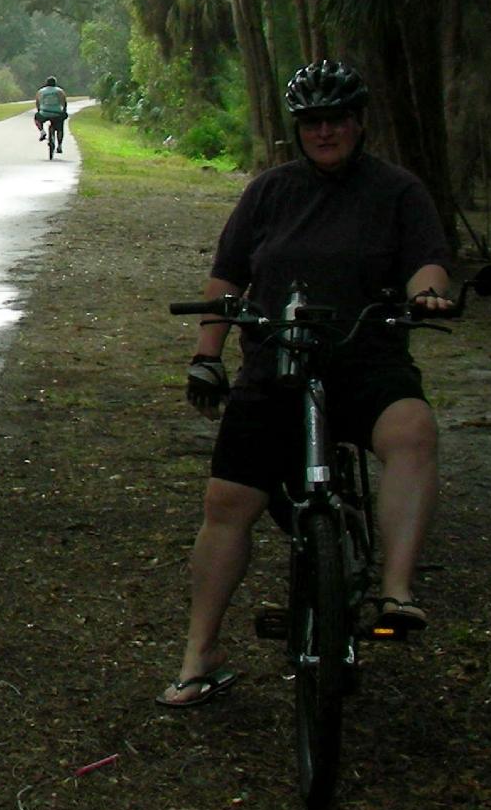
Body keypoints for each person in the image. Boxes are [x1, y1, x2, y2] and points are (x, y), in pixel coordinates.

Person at [158, 59, 454, 708]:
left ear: (359, 123)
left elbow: (425, 262)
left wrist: (428, 296)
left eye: (337, 119)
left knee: (413, 431)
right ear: (300, 129)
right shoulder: (270, 192)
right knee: (229, 500)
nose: (325, 131)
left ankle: (396, 591)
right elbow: (227, 275)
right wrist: (207, 353)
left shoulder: (398, 191)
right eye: (313, 121)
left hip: (365, 356)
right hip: (277, 360)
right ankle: (199, 653)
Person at [35, 76, 69, 141]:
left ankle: (42, 132)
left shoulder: (40, 91)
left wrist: (39, 110)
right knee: (60, 128)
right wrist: (64, 111)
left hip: (44, 112)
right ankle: (59, 145)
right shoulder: (60, 91)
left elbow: (37, 102)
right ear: (55, 83)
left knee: (37, 119)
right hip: (57, 113)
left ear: (46, 83)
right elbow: (64, 102)